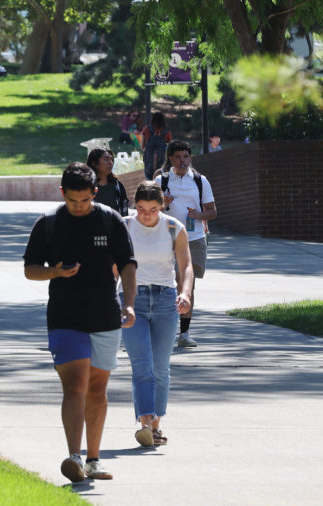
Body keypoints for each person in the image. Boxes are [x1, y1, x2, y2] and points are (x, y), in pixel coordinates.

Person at [23, 163, 137, 483]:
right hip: (65, 317)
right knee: (74, 386)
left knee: (97, 390)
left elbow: (128, 266)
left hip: (105, 316)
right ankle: (74, 457)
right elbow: (31, 269)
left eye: (84, 200)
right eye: (72, 200)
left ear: (94, 194)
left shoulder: (109, 220)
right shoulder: (49, 224)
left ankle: (94, 459)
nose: (78, 206)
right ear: (63, 194)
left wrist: (128, 304)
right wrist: (55, 272)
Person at [120, 181, 194, 448]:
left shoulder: (174, 228)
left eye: (152, 209)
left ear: (162, 206)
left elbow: (186, 266)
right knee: (141, 365)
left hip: (165, 300)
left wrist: (185, 293)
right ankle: (145, 424)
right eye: (140, 208)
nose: (146, 215)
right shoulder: (126, 226)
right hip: (132, 299)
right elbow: (115, 268)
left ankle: (156, 424)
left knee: (160, 367)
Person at [153, 140, 217, 348]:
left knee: (187, 286)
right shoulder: (160, 180)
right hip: (166, 239)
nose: (183, 161)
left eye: (186, 157)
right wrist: (163, 204)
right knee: (166, 285)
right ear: (171, 158)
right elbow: (149, 211)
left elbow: (212, 210)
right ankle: (163, 330)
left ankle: (184, 334)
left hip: (194, 238)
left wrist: (200, 214)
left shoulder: (200, 181)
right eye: (179, 157)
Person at [86, 148, 128, 216]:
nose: (110, 163)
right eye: (105, 159)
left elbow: (124, 211)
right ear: (94, 163)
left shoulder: (118, 186)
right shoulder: (87, 187)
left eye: (111, 159)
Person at [140, 112, 172, 180]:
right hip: (162, 163)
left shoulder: (147, 129)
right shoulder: (166, 131)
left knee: (149, 182)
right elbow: (170, 147)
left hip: (149, 161)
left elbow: (142, 146)